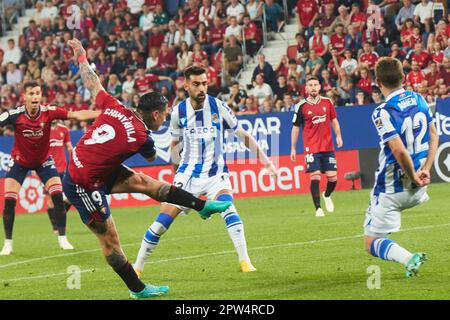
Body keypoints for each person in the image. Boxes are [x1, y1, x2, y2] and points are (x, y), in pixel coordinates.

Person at [63, 38, 231, 299]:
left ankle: (201, 206)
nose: (165, 119)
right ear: (155, 114)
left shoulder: (114, 104)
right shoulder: (143, 136)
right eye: (164, 115)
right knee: (110, 242)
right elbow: (151, 156)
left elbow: (92, 83)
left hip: (96, 168)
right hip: (82, 182)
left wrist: (82, 57)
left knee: (145, 183)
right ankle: (137, 289)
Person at [133, 66, 278, 277]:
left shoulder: (219, 107)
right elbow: (175, 144)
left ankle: (245, 260)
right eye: (196, 84)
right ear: (186, 85)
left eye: (205, 83)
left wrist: (266, 162)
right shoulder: (178, 112)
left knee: (229, 207)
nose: (202, 88)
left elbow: (243, 134)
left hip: (216, 175)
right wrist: (176, 175)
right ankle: (137, 267)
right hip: (188, 175)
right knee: (162, 222)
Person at [0, 81, 100, 255]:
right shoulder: (15, 115)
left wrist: (101, 113)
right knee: (9, 202)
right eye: (31, 93)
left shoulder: (49, 112)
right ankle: (7, 244)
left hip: (43, 161)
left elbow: (76, 115)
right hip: (19, 162)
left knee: (57, 197)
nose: (35, 97)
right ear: (24, 97)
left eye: (37, 93)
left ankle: (63, 239)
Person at [363, 57, 439, 277]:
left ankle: (408, 258)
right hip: (419, 189)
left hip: (392, 188)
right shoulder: (419, 99)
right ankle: (408, 260)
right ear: (404, 77)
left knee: (371, 242)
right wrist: (425, 169)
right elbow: (434, 135)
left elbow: (399, 151)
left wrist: (413, 176)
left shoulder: (382, 111)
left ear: (377, 82)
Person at [290, 76, 343, 217]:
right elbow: (295, 128)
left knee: (333, 178)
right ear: (306, 88)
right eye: (310, 85)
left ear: (320, 87)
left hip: (328, 146)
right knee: (315, 176)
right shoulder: (301, 106)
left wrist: (338, 135)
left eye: (315, 84)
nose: (313, 87)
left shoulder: (327, 102)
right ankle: (318, 209)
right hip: (311, 147)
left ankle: (326, 195)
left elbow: (334, 120)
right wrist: (293, 148)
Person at [46, 121, 73, 234]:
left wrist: (73, 162)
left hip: (63, 169)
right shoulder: (44, 129)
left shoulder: (64, 129)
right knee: (50, 199)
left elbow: (69, 147)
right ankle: (56, 227)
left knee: (69, 197)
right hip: (48, 169)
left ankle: (59, 221)